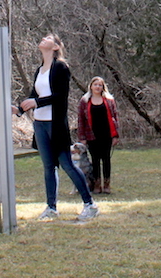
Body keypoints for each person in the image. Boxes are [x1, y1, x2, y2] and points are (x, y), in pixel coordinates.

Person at [19, 34, 100, 222]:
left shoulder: (61, 67)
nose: (42, 39)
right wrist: (19, 110)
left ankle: (90, 204)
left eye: (48, 37)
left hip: (55, 125)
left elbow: (60, 96)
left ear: (55, 47)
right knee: (49, 167)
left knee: (67, 165)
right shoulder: (40, 70)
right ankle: (51, 208)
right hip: (39, 124)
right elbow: (33, 94)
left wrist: (36, 102)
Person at [77, 76, 120, 194]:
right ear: (91, 86)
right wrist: (82, 138)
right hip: (91, 135)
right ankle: (97, 185)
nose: (97, 87)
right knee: (95, 160)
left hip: (106, 135)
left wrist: (116, 135)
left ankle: (106, 185)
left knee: (106, 160)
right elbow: (81, 120)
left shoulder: (109, 100)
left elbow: (115, 117)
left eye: (100, 85)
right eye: (95, 84)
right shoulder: (84, 101)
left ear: (103, 87)